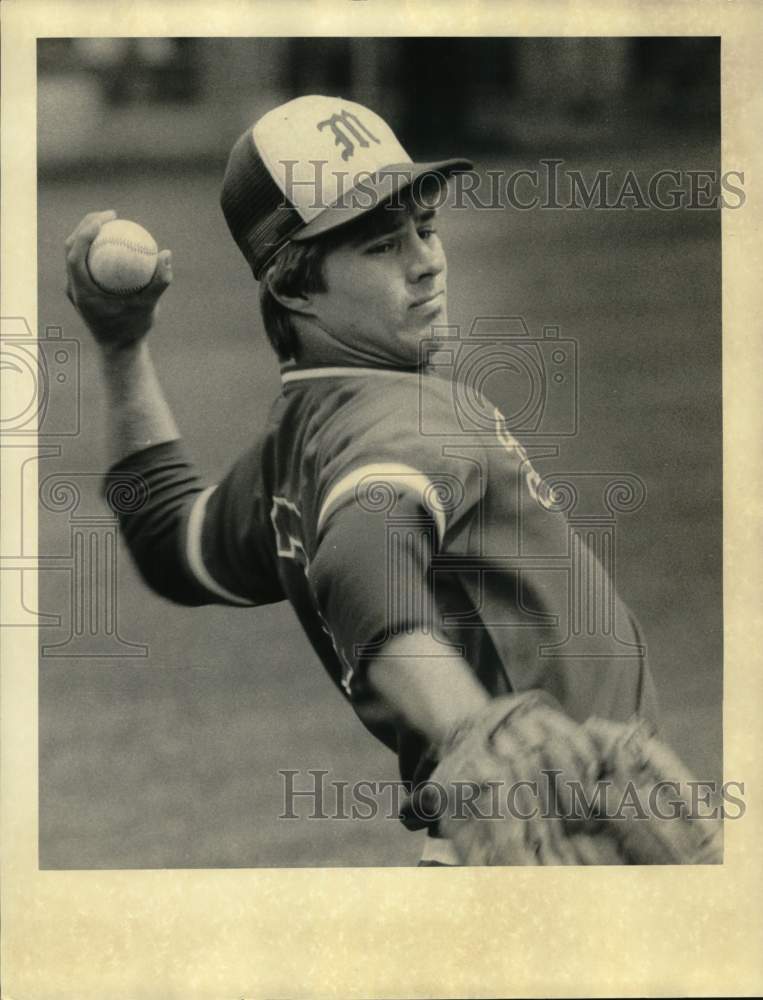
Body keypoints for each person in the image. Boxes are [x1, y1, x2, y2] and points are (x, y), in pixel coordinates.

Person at [65, 95, 658, 866]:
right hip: (552, 848)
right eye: (381, 246)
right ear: (292, 286)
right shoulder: (395, 425)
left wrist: (121, 348)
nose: (425, 261)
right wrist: (475, 731)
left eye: (426, 226)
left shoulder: (297, 442)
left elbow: (167, 540)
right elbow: (365, 561)